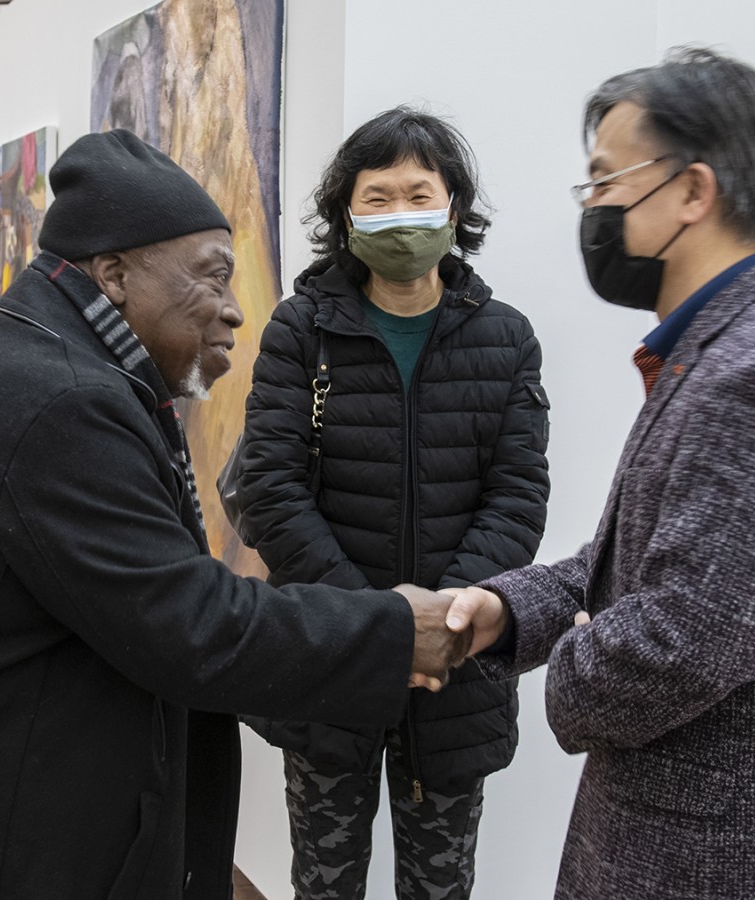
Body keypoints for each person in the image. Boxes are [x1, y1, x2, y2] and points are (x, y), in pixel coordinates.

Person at [0, 130, 471, 900]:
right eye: (213, 278)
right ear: (116, 274)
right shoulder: (60, 399)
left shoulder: (37, 351)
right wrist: (394, 630)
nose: (232, 312)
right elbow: (188, 623)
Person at [442, 48, 755, 898]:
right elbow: (631, 563)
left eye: (605, 181)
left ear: (692, 192)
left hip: (735, 860)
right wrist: (505, 611)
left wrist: (573, 662)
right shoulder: (714, 355)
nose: (593, 209)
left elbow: (682, 641)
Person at [233, 107, 550, 899]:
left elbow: (516, 498)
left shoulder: (505, 339)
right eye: (376, 197)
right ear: (345, 213)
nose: (399, 214)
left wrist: (439, 626)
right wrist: (377, 628)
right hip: (328, 656)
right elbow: (270, 492)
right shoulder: (300, 331)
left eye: (418, 193)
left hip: (457, 669)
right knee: (324, 881)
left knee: (440, 887)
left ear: (454, 207)